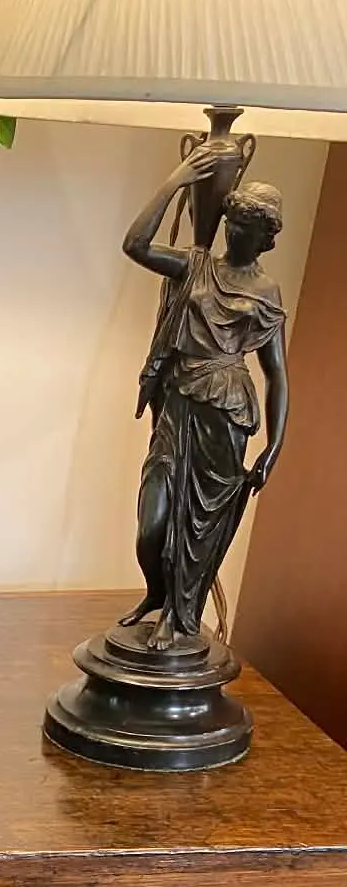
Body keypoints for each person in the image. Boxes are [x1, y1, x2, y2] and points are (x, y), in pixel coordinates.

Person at [120, 143, 289, 651]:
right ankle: (156, 594)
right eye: (232, 221)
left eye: (248, 226)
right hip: (177, 410)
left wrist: (274, 447)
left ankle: (179, 615)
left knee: (196, 534)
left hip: (226, 419)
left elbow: (277, 374)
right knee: (152, 523)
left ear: (266, 237)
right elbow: (135, 245)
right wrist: (175, 179)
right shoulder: (194, 264)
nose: (236, 232)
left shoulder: (268, 291)